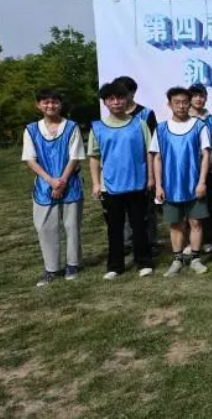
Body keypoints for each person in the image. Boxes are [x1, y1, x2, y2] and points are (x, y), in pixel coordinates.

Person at [88, 81, 154, 280]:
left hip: (137, 183)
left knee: (139, 226)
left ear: (127, 99)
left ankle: (144, 262)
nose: (116, 102)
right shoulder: (97, 127)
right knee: (114, 228)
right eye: (111, 99)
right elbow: (94, 157)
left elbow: (150, 152)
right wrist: (96, 183)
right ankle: (115, 266)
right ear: (105, 102)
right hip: (110, 186)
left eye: (120, 98)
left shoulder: (139, 124)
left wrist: (151, 177)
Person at [22, 89, 85, 286]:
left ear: (60, 104)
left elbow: (75, 156)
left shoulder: (72, 127)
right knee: (45, 227)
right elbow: (30, 159)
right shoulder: (31, 130)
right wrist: (51, 181)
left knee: (72, 226)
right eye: (46, 102)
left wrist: (62, 181)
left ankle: (73, 264)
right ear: (38, 105)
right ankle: (51, 268)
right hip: (44, 185)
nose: (51, 105)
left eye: (55, 102)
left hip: (70, 182)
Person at [151, 87, 211, 277]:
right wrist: (159, 185)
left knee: (196, 223)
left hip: (194, 184)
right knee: (175, 224)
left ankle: (195, 259)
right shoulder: (161, 129)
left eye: (185, 102)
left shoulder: (199, 126)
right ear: (169, 104)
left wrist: (202, 182)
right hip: (171, 186)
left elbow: (206, 155)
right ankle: (177, 259)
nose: (181, 106)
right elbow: (157, 158)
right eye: (177, 102)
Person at [113, 76, 159, 254]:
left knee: (147, 209)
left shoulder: (146, 114)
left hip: (143, 169)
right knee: (123, 209)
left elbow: (153, 145)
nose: (119, 98)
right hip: (120, 170)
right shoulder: (113, 115)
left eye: (123, 94)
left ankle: (150, 242)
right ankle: (127, 242)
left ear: (132, 93)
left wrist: (152, 174)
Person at [188, 83, 212, 254]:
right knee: (188, 207)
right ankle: (190, 242)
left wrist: (204, 165)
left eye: (202, 96)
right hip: (187, 172)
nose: (198, 99)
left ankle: (209, 241)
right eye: (195, 96)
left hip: (209, 171)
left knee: (209, 207)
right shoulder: (183, 118)